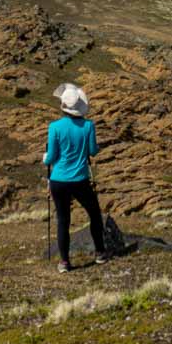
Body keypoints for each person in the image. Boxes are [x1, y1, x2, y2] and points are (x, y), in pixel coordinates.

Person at [43, 83, 108, 272]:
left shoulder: (54, 127)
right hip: (80, 180)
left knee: (63, 220)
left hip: (58, 181)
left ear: (63, 106)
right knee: (94, 215)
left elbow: (52, 157)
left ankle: (64, 262)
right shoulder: (89, 126)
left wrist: (44, 158)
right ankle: (100, 253)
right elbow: (93, 151)